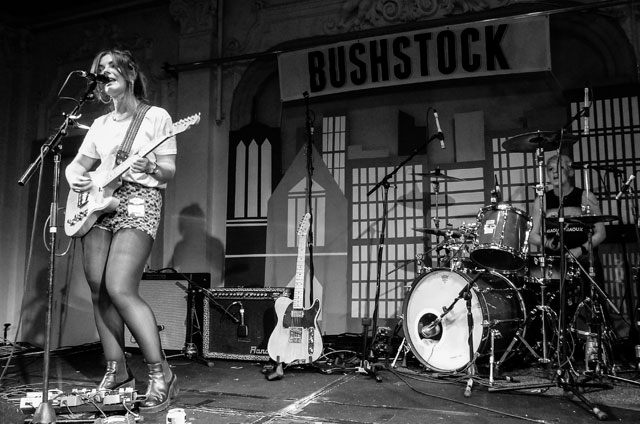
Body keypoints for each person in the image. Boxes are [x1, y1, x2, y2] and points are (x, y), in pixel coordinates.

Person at [65, 48, 178, 413]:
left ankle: (161, 374)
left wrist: (151, 166)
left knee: (119, 286)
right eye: (100, 70)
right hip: (100, 203)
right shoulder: (99, 125)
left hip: (139, 200)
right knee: (99, 289)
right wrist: (77, 179)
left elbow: (168, 171)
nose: (105, 73)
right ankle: (116, 371)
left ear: (130, 72)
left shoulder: (156, 116)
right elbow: (77, 167)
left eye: (112, 67)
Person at [529, 154, 607, 319]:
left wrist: (580, 250)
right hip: (556, 263)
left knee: (596, 306)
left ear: (571, 172)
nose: (554, 173)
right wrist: (547, 243)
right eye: (550, 169)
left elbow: (601, 233)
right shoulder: (541, 200)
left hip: (585, 258)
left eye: (559, 168)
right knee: (557, 309)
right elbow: (532, 235)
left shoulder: (585, 196)